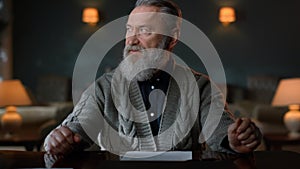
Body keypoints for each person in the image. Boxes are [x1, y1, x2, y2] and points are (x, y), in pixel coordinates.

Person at [44, 0, 261, 155]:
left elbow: (223, 133)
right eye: (130, 30)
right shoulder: (103, 87)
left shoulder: (200, 86)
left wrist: (236, 139)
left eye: (145, 31)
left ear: (172, 38)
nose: (132, 40)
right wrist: (59, 140)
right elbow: (74, 131)